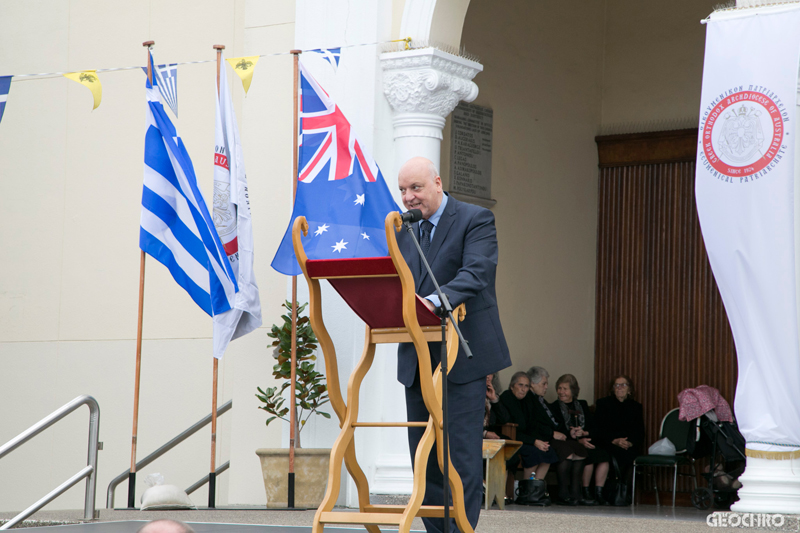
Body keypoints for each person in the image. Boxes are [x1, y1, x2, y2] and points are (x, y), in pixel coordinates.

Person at [396, 157, 511, 533]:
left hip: (461, 354)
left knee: (458, 456)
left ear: (438, 183)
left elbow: (476, 272)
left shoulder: (474, 219)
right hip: (418, 357)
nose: (409, 197)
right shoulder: (403, 230)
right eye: (403, 190)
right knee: (425, 458)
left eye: (416, 188)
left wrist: (432, 301)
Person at [526, 366, 587, 506]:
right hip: (542, 438)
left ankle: (576, 494)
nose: (547, 387)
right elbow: (533, 424)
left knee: (579, 449)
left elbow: (554, 422)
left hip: (551, 436)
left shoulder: (540, 400)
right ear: (533, 384)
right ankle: (563, 493)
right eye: (544, 384)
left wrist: (568, 433)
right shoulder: (530, 400)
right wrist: (552, 433)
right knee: (566, 450)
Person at [552, 373, 610, 505]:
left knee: (603, 455)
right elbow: (558, 429)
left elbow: (594, 427)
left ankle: (596, 493)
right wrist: (576, 439)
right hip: (568, 442)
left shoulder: (582, 405)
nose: (561, 392)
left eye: (565, 389)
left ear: (573, 390)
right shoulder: (554, 407)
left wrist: (584, 433)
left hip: (586, 440)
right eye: (559, 388)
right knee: (581, 452)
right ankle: (577, 493)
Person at [498, 372, 559, 481]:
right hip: (513, 438)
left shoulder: (528, 399)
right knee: (534, 453)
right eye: (520, 385)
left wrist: (539, 441)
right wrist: (534, 441)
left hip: (528, 438)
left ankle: (535, 490)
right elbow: (513, 429)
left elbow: (533, 423)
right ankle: (525, 490)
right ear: (512, 386)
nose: (523, 389)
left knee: (548, 451)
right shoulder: (507, 398)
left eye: (526, 386)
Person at [593, 374, 645, 502]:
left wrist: (630, 443)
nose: (620, 388)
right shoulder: (603, 404)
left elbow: (640, 432)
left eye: (623, 385)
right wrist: (615, 440)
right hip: (608, 442)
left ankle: (624, 494)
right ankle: (610, 494)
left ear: (630, 389)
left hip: (628, 445)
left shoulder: (636, 407)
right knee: (614, 454)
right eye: (617, 385)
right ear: (613, 388)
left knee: (630, 455)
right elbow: (598, 430)